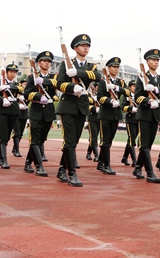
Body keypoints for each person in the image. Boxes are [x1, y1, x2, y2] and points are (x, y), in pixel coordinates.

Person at [56, 33, 102, 187]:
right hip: (68, 105)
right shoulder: (66, 63)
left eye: (87, 46)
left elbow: (97, 76)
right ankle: (71, 173)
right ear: (75, 48)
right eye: (82, 45)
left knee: (74, 141)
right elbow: (59, 83)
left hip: (82, 106)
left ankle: (61, 169)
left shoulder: (91, 66)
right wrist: (71, 87)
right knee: (69, 140)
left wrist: (78, 73)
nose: (85, 48)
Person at [133, 48, 160, 183]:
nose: (156, 62)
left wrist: (156, 89)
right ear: (147, 62)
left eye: (157, 60)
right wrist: (148, 101)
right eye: (153, 60)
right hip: (144, 114)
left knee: (149, 144)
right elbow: (137, 97)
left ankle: (137, 168)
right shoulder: (141, 78)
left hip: (155, 115)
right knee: (144, 145)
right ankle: (150, 173)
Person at [23, 51, 58, 176]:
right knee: (35, 140)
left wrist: (44, 82)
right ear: (38, 63)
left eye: (49, 62)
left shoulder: (54, 77)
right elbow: (26, 94)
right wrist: (38, 96)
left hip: (48, 112)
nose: (47, 63)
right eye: (44, 61)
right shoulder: (32, 77)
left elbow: (58, 86)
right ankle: (39, 166)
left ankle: (28, 162)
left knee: (41, 140)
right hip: (36, 111)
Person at [97, 57, 130, 175]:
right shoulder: (103, 81)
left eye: (117, 67)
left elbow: (128, 92)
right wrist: (109, 101)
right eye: (114, 67)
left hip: (115, 114)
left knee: (109, 140)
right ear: (108, 68)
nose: (116, 69)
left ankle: (100, 162)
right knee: (105, 140)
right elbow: (99, 97)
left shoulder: (120, 82)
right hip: (105, 113)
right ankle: (106, 165)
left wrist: (116, 88)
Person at [0, 63, 25, 169]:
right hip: (3, 111)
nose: (12, 74)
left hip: (14, 112)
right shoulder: (0, 83)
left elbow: (21, 89)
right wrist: (2, 100)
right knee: (2, 135)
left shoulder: (16, 84)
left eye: (14, 72)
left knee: (6, 136)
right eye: (10, 72)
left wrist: (9, 86)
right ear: (6, 73)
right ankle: (3, 159)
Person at [120, 80, 139, 167]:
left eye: (136, 86)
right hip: (130, 119)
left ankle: (125, 157)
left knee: (131, 139)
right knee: (132, 140)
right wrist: (131, 108)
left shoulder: (139, 96)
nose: (135, 88)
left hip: (138, 119)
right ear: (130, 87)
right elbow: (122, 107)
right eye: (134, 86)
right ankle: (134, 160)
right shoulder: (126, 96)